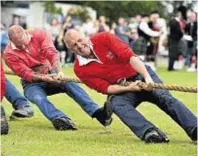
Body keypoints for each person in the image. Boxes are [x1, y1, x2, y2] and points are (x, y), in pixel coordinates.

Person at [63, 29, 197, 143]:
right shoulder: (79, 69)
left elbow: (131, 57)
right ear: (70, 49)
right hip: (123, 87)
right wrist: (129, 88)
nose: (79, 46)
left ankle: (194, 128)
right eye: (74, 45)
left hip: (140, 74)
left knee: (164, 96)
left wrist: (147, 78)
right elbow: (106, 89)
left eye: (80, 40)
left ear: (84, 36)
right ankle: (149, 132)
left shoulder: (104, 38)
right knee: (117, 104)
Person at [3, 25, 112, 131]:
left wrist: (59, 72)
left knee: (70, 85)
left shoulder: (40, 34)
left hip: (52, 73)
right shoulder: (8, 54)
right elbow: (26, 73)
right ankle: (59, 119)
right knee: (38, 98)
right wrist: (45, 78)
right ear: (10, 40)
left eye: (23, 43)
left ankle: (99, 114)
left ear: (26, 33)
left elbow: (52, 54)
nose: (22, 47)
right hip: (31, 83)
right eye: (19, 46)